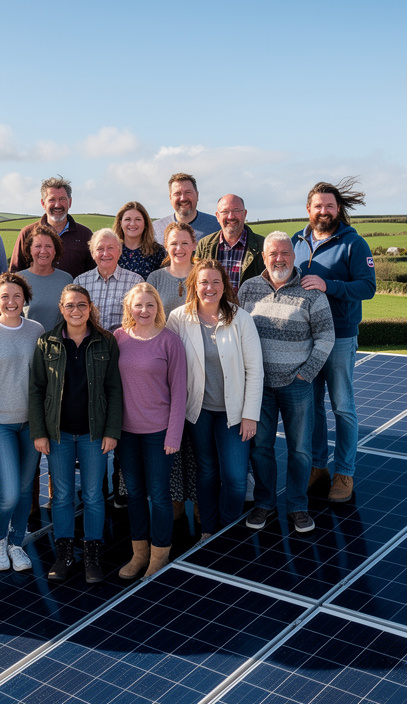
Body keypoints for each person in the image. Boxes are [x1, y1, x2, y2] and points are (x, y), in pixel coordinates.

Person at [239, 232, 335, 535]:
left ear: (293, 257)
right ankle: (265, 503)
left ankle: (297, 506)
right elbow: (238, 332)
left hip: (297, 385)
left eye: (284, 253)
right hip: (259, 387)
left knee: (301, 450)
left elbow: (326, 336)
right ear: (264, 257)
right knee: (261, 449)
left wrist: (306, 373)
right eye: (272, 254)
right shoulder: (248, 289)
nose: (278, 259)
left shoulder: (311, 292)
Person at [28, 284, 122, 584]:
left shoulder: (105, 342)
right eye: (70, 305)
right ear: (61, 307)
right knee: (63, 496)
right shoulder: (47, 343)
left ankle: (92, 554)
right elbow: (37, 389)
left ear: (90, 307)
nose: (76, 311)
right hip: (59, 434)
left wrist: (111, 430)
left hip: (95, 434)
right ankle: (64, 553)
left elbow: (114, 389)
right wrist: (40, 432)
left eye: (82, 305)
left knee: (94, 495)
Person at [293, 178, 375, 503]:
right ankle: (317, 466)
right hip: (306, 339)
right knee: (311, 408)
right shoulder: (296, 242)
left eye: (329, 206)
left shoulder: (354, 244)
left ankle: (344, 472)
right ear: (308, 209)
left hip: (340, 337)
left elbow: (367, 287)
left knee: (342, 406)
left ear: (337, 208)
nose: (324, 211)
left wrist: (331, 286)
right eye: (318, 206)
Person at [168, 259, 263, 540]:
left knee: (235, 479)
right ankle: (209, 531)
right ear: (194, 286)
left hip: (233, 413)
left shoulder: (240, 318)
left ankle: (228, 528)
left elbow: (255, 370)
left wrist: (250, 415)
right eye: (203, 282)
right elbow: (170, 366)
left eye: (215, 282)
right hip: (197, 412)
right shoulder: (178, 319)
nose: (209, 288)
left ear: (224, 286)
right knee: (207, 473)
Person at [113, 283, 186, 579]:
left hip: (159, 432)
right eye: (138, 305)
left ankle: (160, 553)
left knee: (159, 495)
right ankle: (139, 553)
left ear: (158, 308)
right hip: (126, 434)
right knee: (134, 494)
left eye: (150, 305)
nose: (144, 310)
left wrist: (173, 435)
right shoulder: (117, 338)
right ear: (129, 308)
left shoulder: (170, 341)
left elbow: (179, 391)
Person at [0, 273, 47, 571]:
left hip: (31, 423)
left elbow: (43, 380)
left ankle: (17, 543)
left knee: (26, 487)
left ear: (25, 298)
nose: (11, 302)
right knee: (9, 491)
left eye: (17, 296)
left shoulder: (36, 330)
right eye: (5, 296)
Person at [145, 221, 199, 532]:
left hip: (200, 368)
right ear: (166, 246)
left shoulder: (202, 275)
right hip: (162, 372)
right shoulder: (154, 278)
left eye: (184, 242)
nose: (178, 248)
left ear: (194, 244)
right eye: (173, 243)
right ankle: (176, 506)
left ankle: (203, 505)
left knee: (199, 443)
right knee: (172, 443)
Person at [8, 176, 95, 277]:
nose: (57, 205)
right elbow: (15, 273)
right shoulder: (27, 233)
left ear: (70, 202)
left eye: (62, 199)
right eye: (52, 200)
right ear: (43, 203)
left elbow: (92, 273)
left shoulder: (85, 234)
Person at [193, 194, 265, 294]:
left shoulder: (263, 246)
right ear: (217, 216)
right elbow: (196, 282)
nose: (231, 216)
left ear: (245, 213)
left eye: (236, 210)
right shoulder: (204, 245)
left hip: (250, 308)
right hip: (213, 308)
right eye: (225, 212)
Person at [74, 229, 143, 332]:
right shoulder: (80, 282)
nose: (105, 254)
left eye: (110, 248)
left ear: (119, 252)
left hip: (122, 344)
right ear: (92, 253)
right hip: (88, 345)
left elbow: (141, 319)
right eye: (100, 249)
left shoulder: (135, 282)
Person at [16, 224, 73, 331]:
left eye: (48, 246)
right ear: (30, 250)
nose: (43, 251)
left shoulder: (66, 280)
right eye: (38, 246)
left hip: (59, 344)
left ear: (55, 251)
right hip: (28, 343)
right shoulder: (18, 280)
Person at [153, 172, 219, 244]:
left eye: (188, 192)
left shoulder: (217, 226)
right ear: (170, 198)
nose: (183, 198)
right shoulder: (155, 230)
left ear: (197, 195)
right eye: (177, 193)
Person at [114, 201, 167, 278]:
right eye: (127, 219)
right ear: (120, 223)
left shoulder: (158, 251)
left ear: (145, 223)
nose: (132, 223)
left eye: (138, 219)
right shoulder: (112, 249)